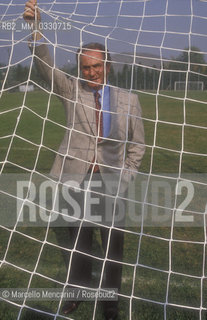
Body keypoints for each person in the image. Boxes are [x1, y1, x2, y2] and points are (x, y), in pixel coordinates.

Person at [23, 1, 145, 319]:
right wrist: (34, 26)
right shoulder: (71, 89)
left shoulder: (129, 100)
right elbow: (44, 64)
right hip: (76, 180)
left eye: (96, 66)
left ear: (107, 66)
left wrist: (126, 177)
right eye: (85, 67)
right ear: (80, 68)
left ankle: (110, 303)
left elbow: (138, 147)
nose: (91, 72)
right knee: (79, 245)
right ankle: (78, 293)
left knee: (113, 248)